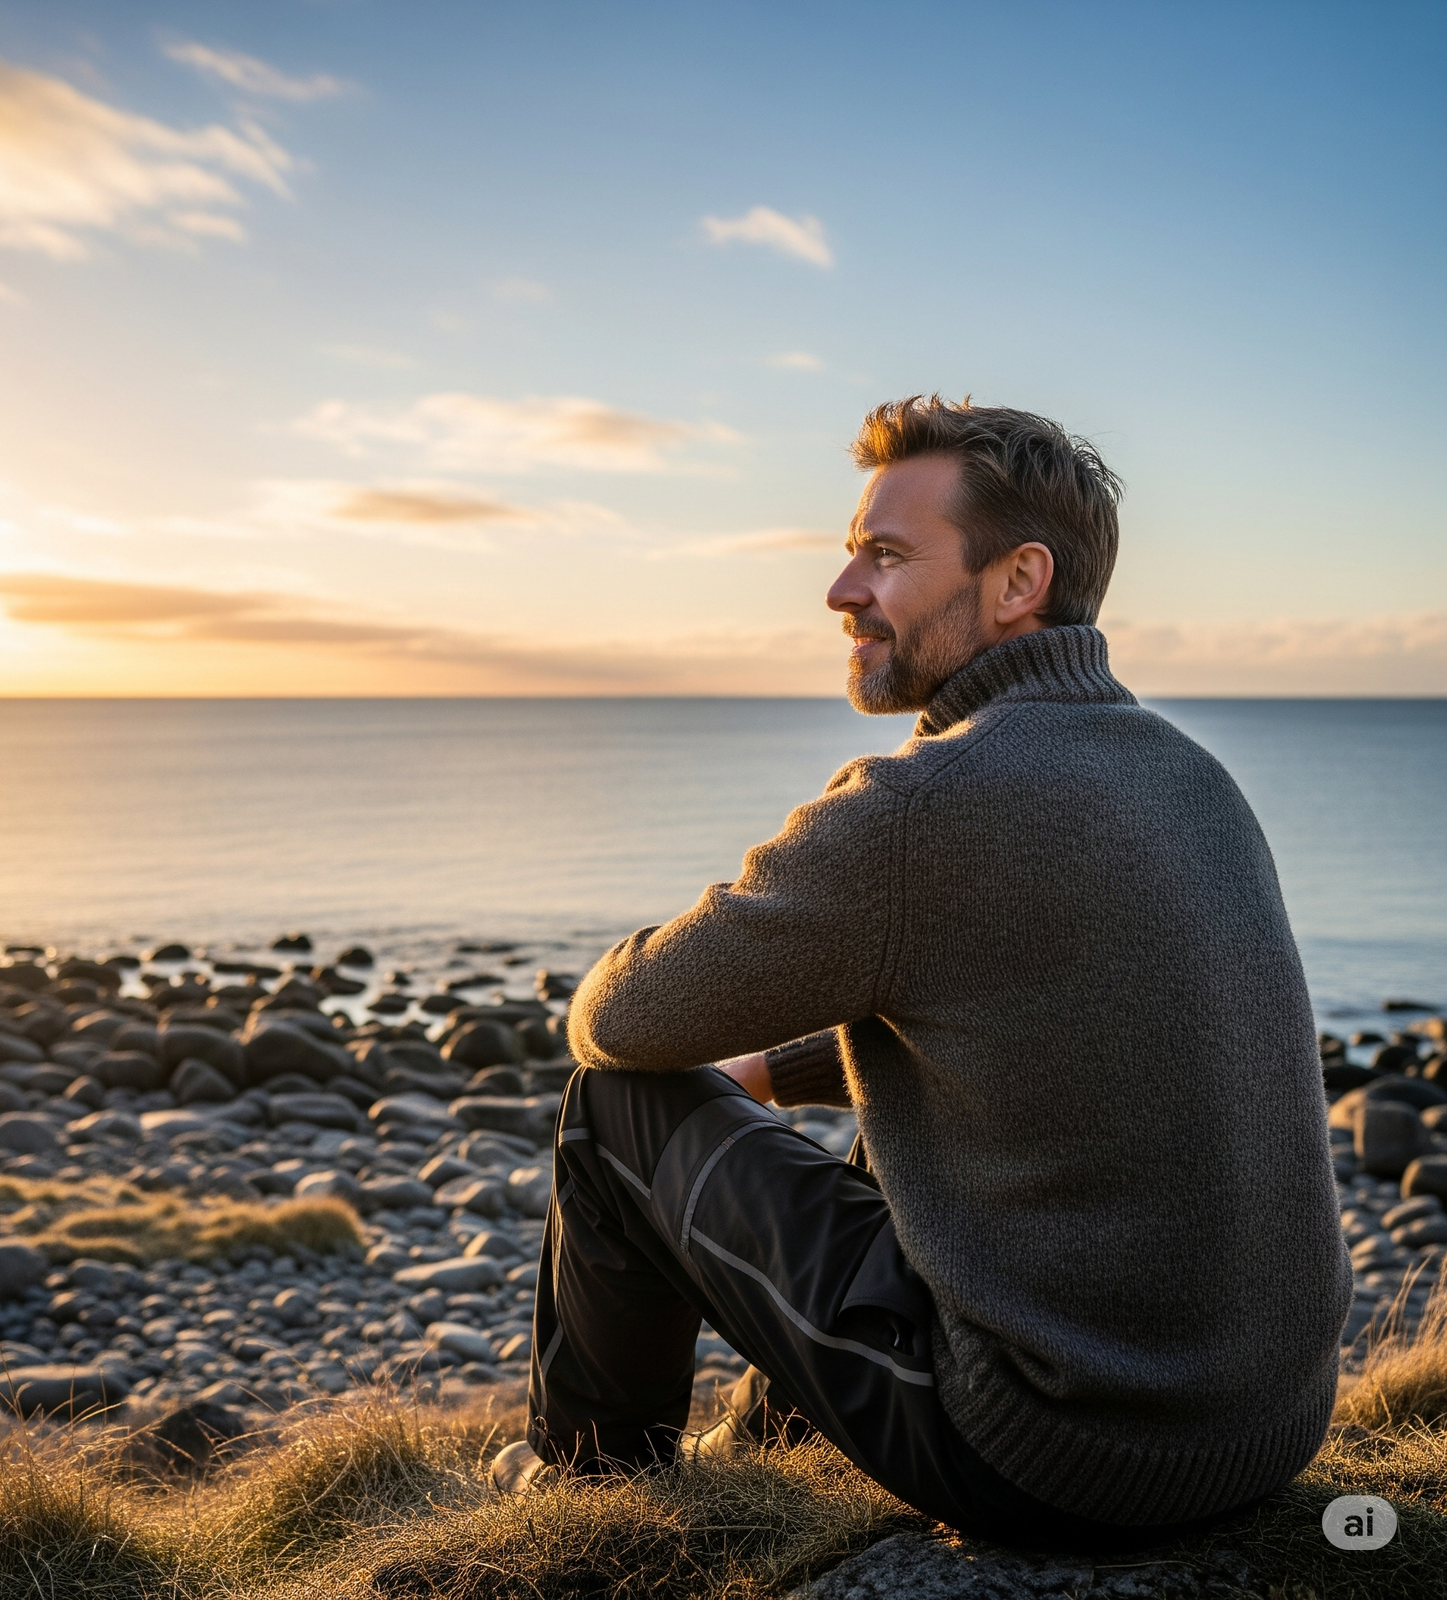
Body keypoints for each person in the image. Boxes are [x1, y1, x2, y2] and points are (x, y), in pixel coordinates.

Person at [490, 395, 1351, 1552]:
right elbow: (1045, 1012)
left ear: (1016, 582)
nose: (842, 589)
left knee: (614, 1107)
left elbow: (622, 1018)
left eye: (886, 556)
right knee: (902, 1099)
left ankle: (594, 1503)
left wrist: (770, 929)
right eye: (852, 551)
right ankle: (768, 1449)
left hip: (1055, 1451)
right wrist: (780, 1064)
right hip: (1261, 1428)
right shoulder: (1190, 775)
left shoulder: (925, 805)